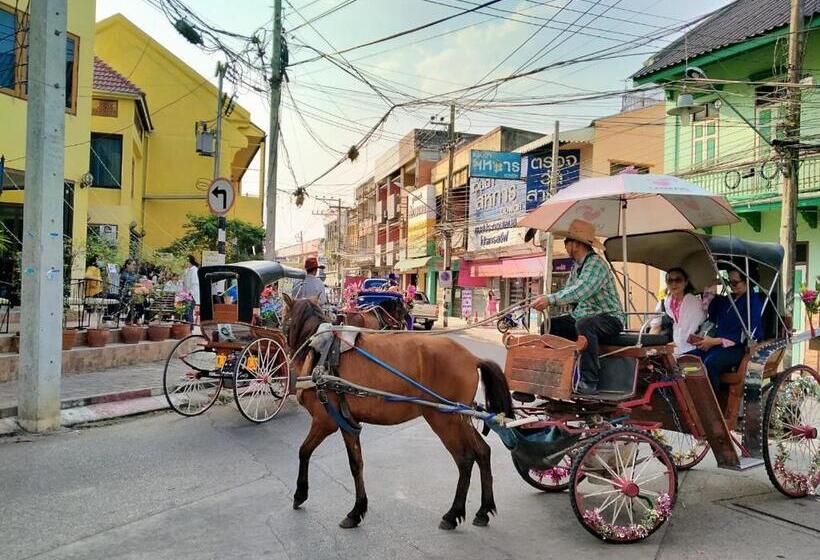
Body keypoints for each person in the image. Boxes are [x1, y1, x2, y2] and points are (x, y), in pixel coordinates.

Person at [532, 219, 624, 395]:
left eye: (566, 241)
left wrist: (550, 299)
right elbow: (569, 291)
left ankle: (589, 381)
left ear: (576, 244)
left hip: (609, 318)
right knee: (550, 326)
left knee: (585, 324)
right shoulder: (577, 267)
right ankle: (553, 375)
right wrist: (546, 299)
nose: (565, 246)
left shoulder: (596, 264)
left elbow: (581, 290)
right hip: (583, 316)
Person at [687, 269, 763, 390]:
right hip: (717, 344)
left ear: (747, 282)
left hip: (739, 347)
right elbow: (709, 309)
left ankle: (712, 398)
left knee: (710, 363)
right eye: (729, 282)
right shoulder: (728, 299)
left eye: (735, 282)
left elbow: (747, 333)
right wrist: (713, 287)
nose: (731, 286)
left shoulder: (753, 302)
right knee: (687, 359)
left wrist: (714, 341)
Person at [650, 268, 705, 356]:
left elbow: (691, 332)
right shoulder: (662, 304)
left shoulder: (695, 303)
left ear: (686, 282)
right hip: (666, 348)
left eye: (678, 280)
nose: (674, 284)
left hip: (691, 349)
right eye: (670, 281)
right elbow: (655, 327)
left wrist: (674, 345)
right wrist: (650, 345)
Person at [182, 255, 200, 324]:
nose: (185, 263)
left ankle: (190, 327)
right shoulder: (187, 270)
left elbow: (194, 284)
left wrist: (189, 293)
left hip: (191, 295)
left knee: (188, 312)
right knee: (186, 313)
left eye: (186, 261)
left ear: (190, 262)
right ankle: (188, 326)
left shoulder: (194, 270)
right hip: (186, 294)